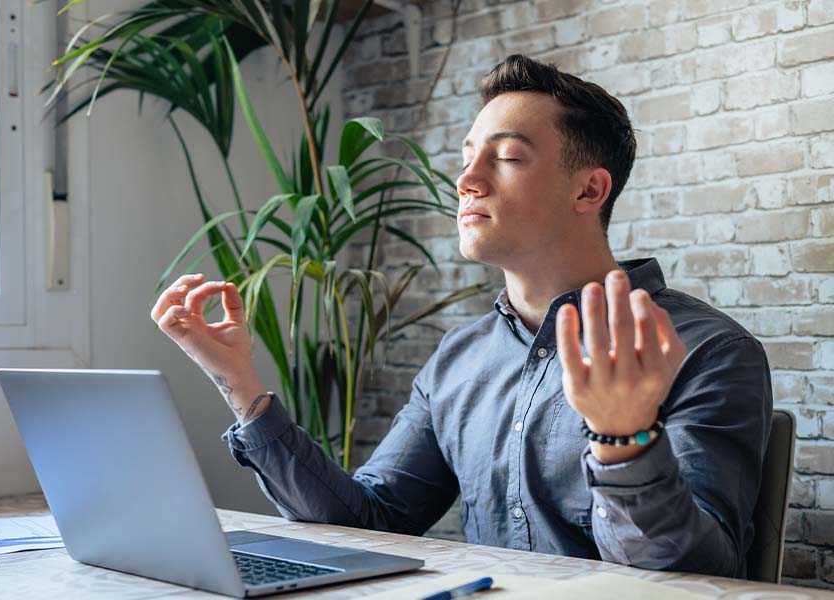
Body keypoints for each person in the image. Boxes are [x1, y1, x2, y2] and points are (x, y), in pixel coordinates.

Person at [150, 54, 772, 578]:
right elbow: (372, 524)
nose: (466, 179)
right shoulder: (461, 357)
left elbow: (698, 581)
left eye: (505, 157)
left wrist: (623, 442)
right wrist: (240, 384)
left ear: (589, 190)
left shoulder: (705, 351)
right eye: (468, 155)